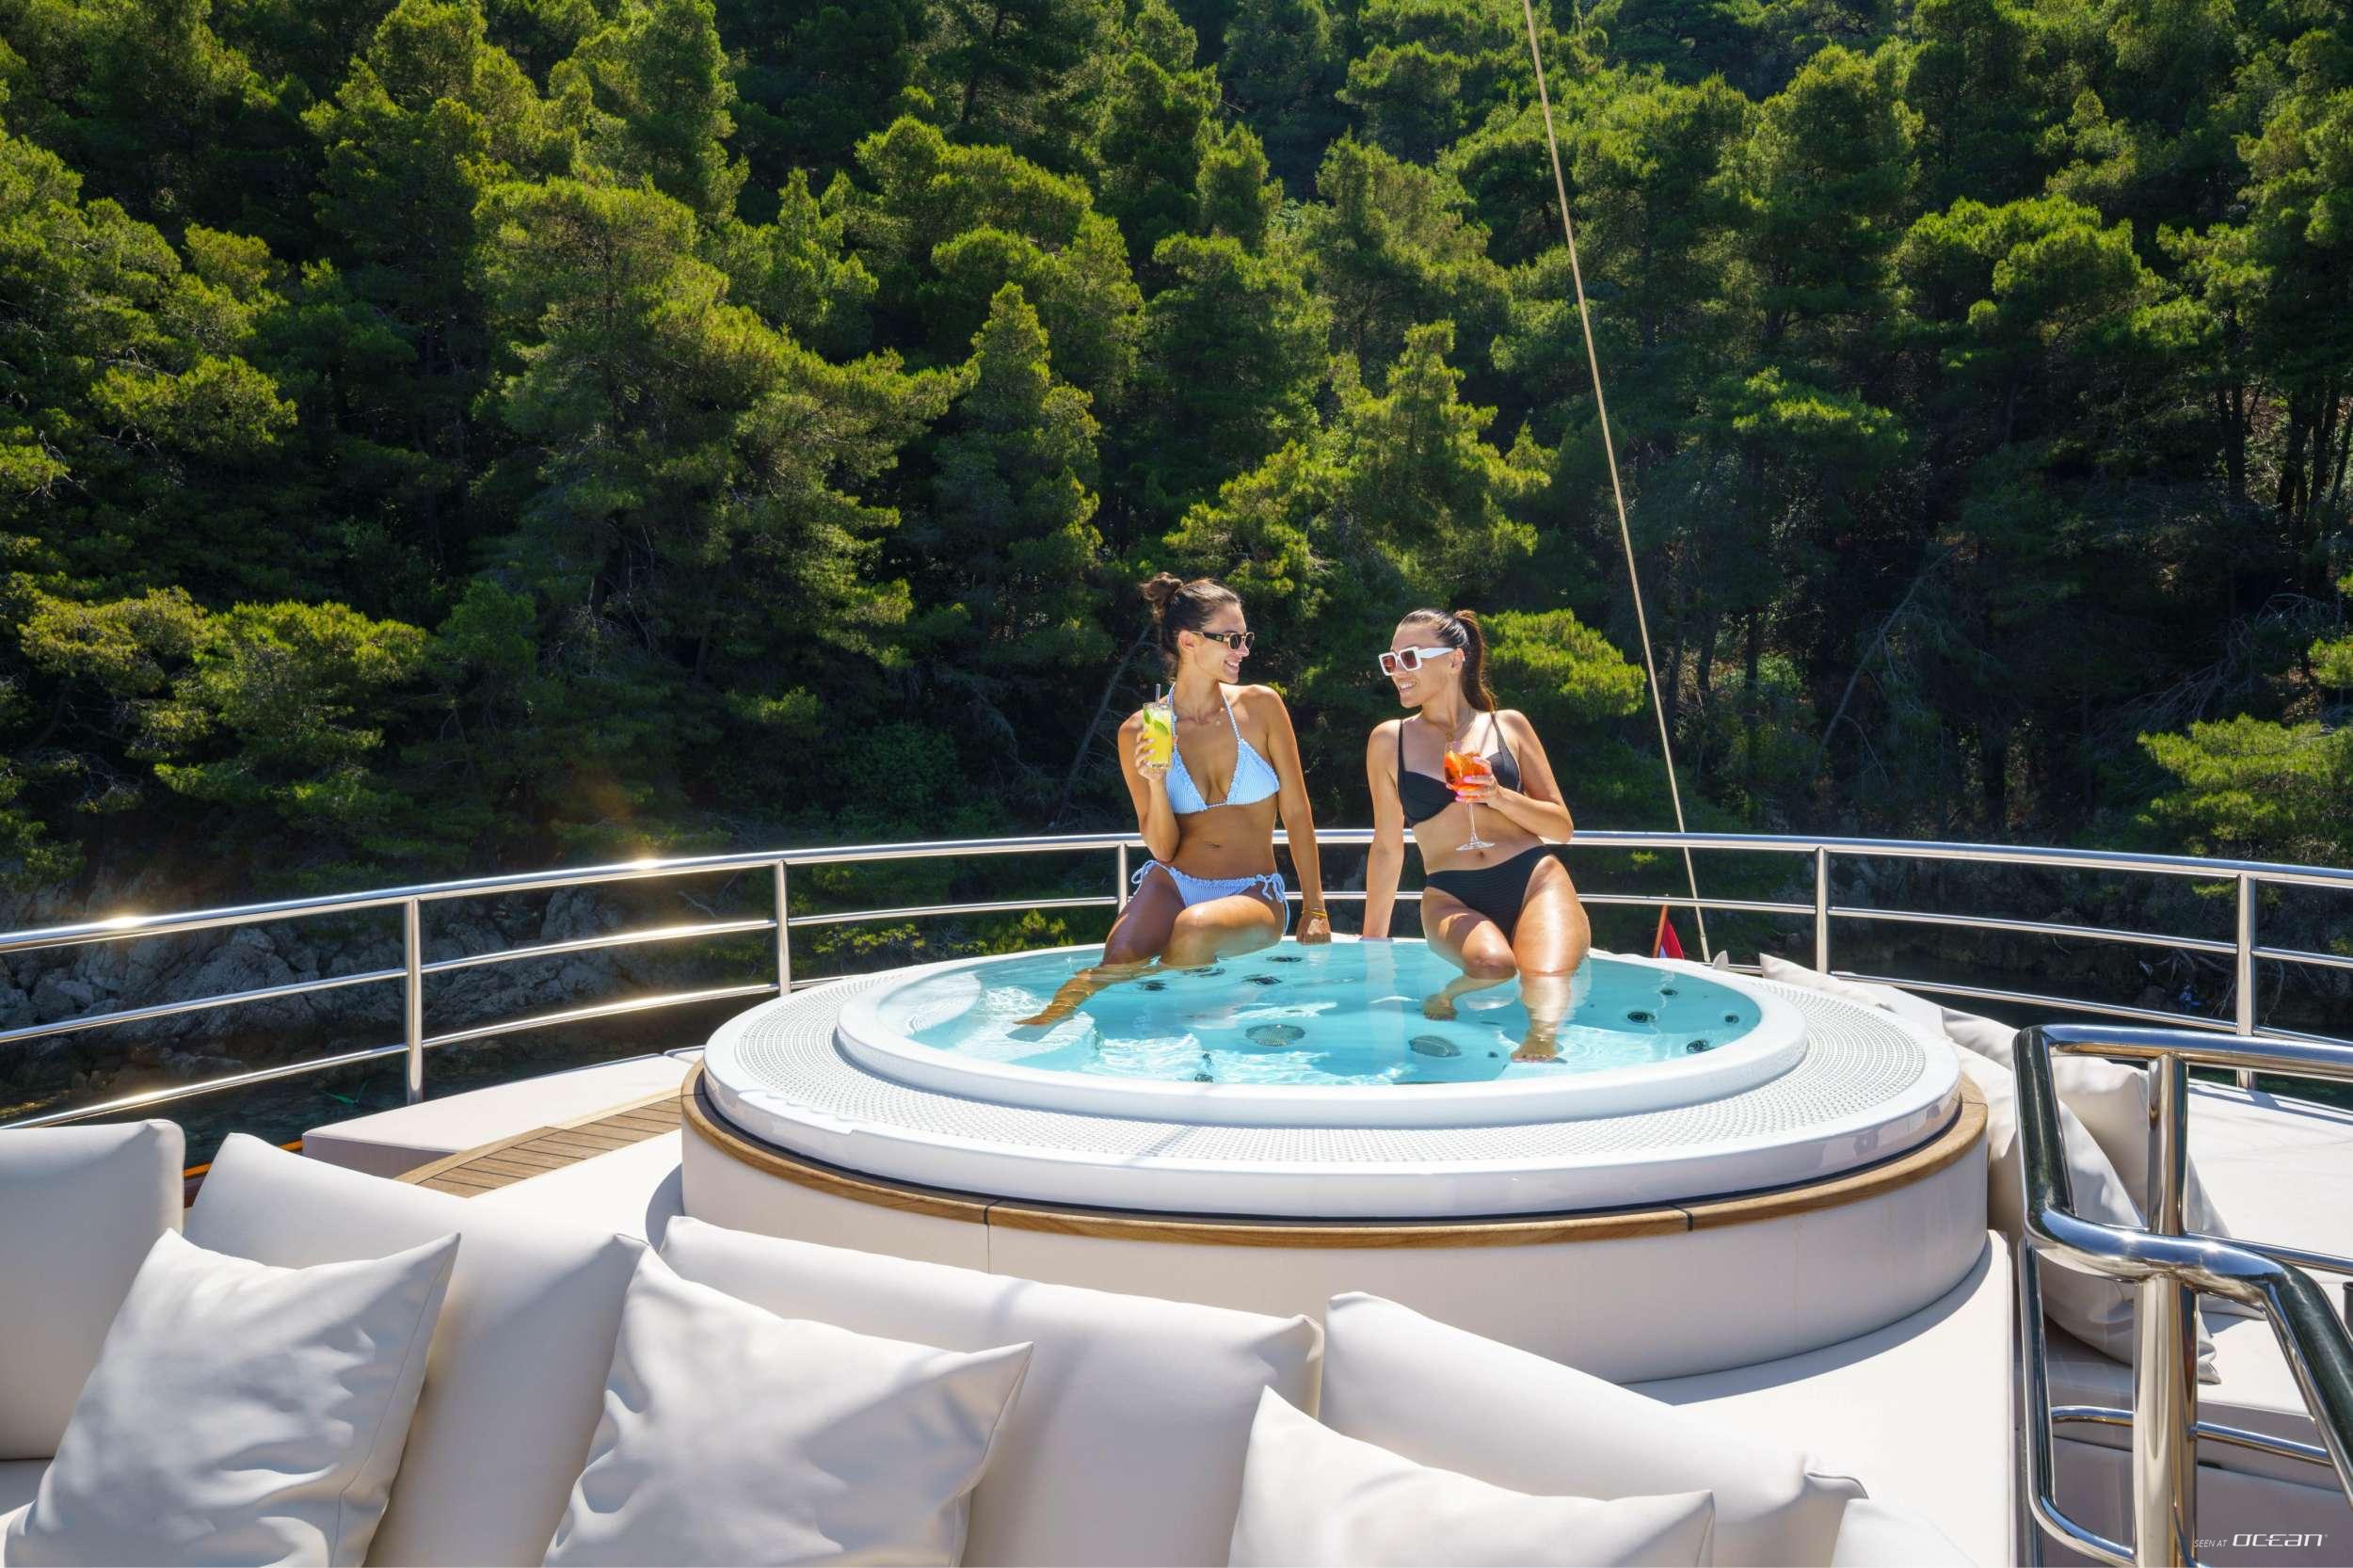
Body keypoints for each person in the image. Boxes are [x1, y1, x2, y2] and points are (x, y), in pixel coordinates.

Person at [1015, 574, 1330, 1027]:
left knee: (1194, 928)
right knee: (1120, 955)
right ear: (1188, 641)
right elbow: (1163, 849)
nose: (1244, 650)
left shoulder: (1261, 707)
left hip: (1252, 890)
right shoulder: (1142, 730)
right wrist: (1157, 783)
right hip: (1174, 880)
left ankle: (1160, 1025)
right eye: (1233, 639)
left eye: (1246, 638)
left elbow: (1297, 812)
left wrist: (1315, 909)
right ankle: (1038, 1029)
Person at [1360, 607, 1592, 1059]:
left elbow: (1561, 827)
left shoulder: (1509, 726)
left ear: (1454, 660)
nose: (1397, 672)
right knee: (1491, 966)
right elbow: (1388, 847)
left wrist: (1499, 796)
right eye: (1390, 661)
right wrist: (1373, 948)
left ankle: (1541, 1041)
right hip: (1451, 893)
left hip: (1533, 879)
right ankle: (1448, 993)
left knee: (1545, 977)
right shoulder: (1389, 740)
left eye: (1410, 658)